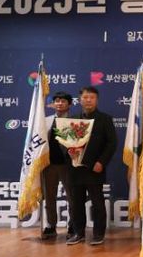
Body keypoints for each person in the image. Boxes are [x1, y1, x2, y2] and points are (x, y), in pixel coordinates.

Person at [66, 86, 117, 246]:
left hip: (95, 168)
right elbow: (65, 141)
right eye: (85, 97)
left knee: (97, 203)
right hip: (76, 168)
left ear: (97, 100)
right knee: (76, 203)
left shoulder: (105, 119)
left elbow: (112, 143)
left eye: (92, 97)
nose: (88, 100)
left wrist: (101, 162)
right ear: (80, 100)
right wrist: (69, 151)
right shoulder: (73, 119)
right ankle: (78, 233)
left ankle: (98, 234)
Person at [41, 91, 73, 240]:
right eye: (57, 101)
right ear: (53, 104)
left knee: (72, 197)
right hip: (49, 165)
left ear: (69, 104)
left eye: (63, 101)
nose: (59, 103)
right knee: (49, 197)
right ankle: (51, 225)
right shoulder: (45, 121)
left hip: (68, 165)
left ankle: (72, 226)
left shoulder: (74, 121)